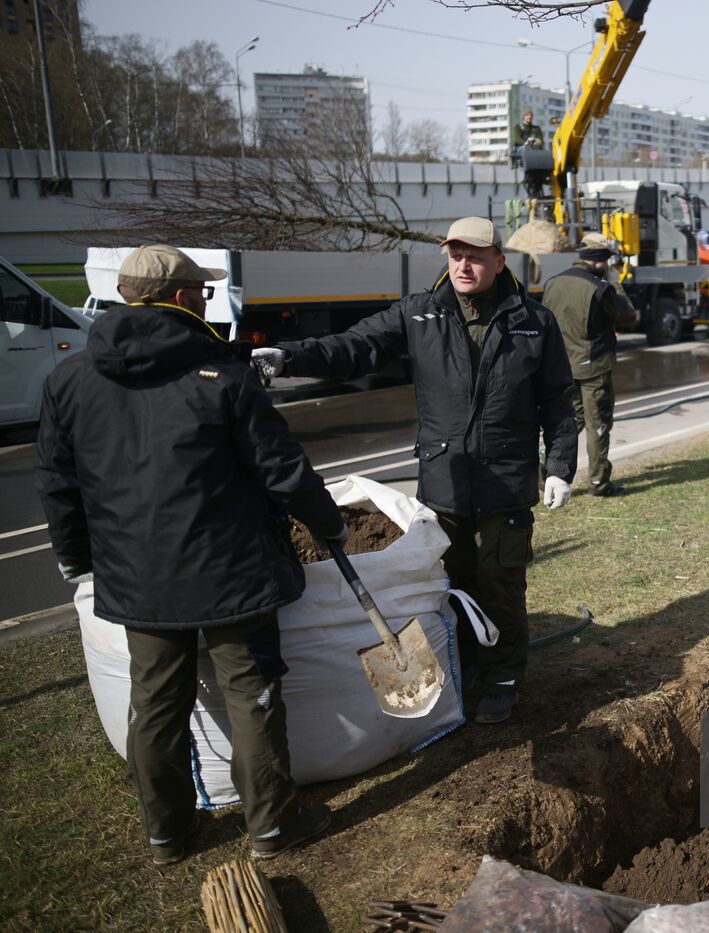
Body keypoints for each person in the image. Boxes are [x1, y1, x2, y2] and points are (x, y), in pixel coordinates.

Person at [36, 245, 343, 865]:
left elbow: (58, 482)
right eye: (200, 292)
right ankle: (272, 829)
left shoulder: (68, 379)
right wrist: (328, 524)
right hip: (230, 570)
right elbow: (281, 470)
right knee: (251, 693)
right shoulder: (221, 377)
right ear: (178, 299)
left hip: (136, 576)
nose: (206, 299)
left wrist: (76, 559)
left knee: (154, 703)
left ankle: (166, 836)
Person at [252, 218, 577, 724]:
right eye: (455, 255)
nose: (463, 266)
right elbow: (352, 348)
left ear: (498, 261)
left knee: (501, 585)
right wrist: (288, 358)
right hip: (444, 481)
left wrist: (559, 466)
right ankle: (465, 669)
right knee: (451, 585)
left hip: (505, 484)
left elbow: (559, 400)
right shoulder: (420, 314)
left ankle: (502, 679)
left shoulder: (533, 322)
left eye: (474, 256)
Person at [542, 232, 639, 497]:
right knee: (598, 424)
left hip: (562, 366)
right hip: (594, 367)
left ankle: (546, 473)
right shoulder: (601, 287)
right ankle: (598, 482)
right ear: (599, 261)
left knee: (566, 423)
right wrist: (617, 284)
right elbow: (628, 316)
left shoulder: (553, 283)